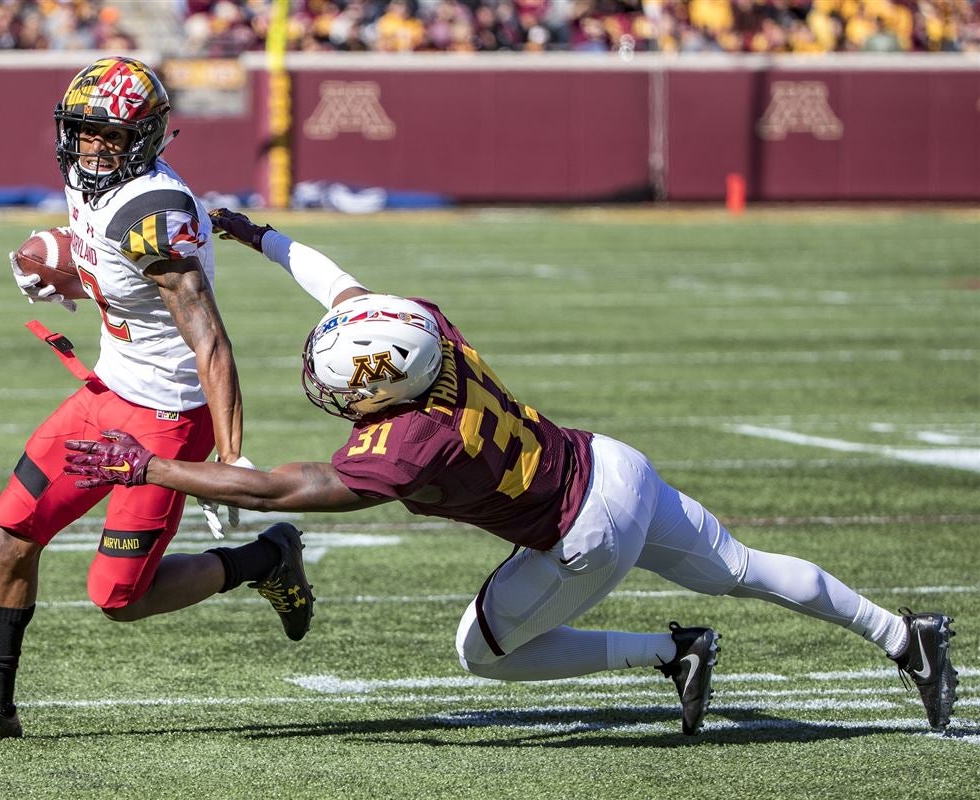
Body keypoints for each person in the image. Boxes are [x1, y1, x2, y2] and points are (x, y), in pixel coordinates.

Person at [62, 209, 959, 736]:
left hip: (581, 531)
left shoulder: (407, 442)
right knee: (744, 568)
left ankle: (672, 653)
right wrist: (262, 236)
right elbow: (339, 286)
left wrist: (148, 467)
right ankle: (902, 635)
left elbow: (277, 488)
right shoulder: (424, 333)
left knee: (481, 655)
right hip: (613, 463)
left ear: (378, 388)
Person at [0, 61, 314, 746]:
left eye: (109, 134)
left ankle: (266, 559)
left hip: (164, 419)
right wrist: (58, 262)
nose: (93, 147)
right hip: (103, 395)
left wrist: (230, 456)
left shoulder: (152, 212)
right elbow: (97, 244)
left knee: (119, 598)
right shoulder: (86, 177)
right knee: (12, 531)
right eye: (82, 131)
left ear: (147, 136)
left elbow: (210, 339)